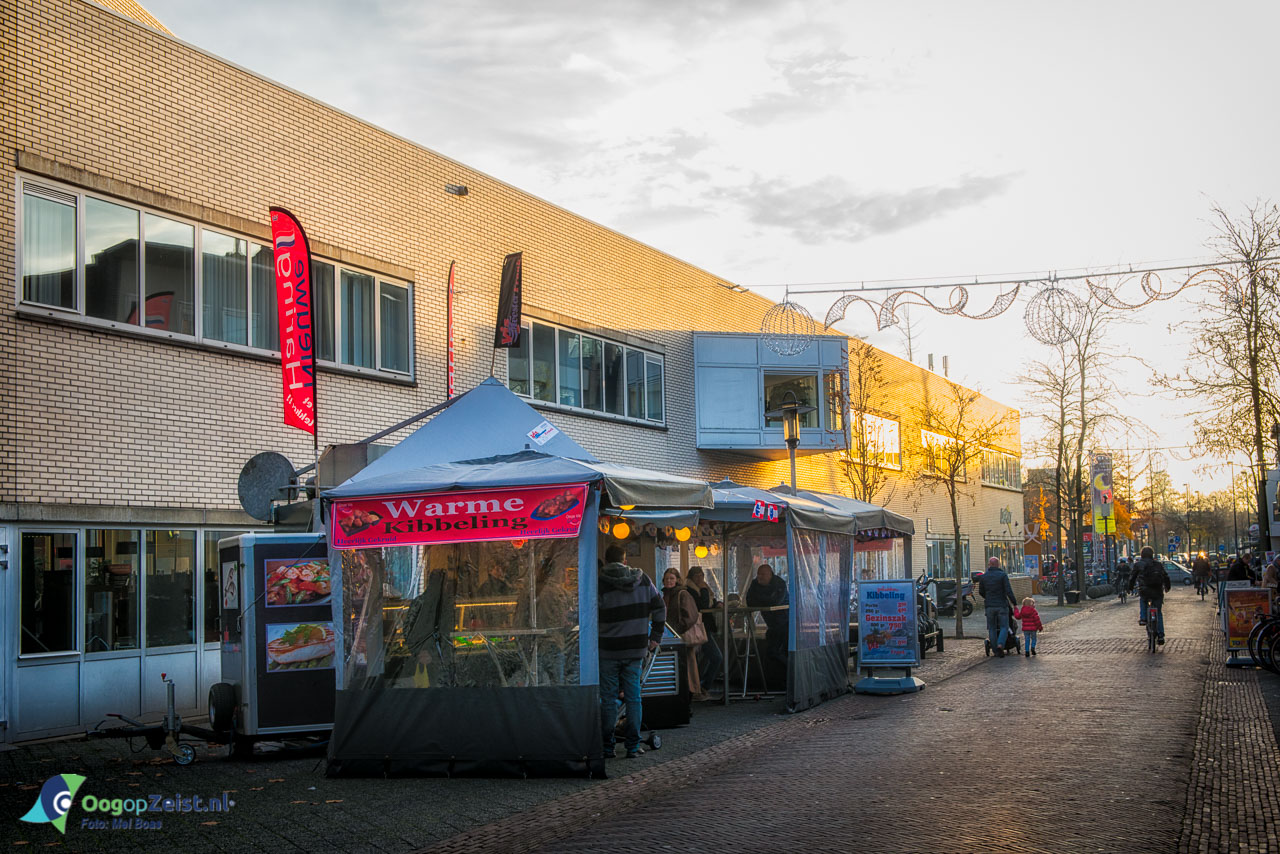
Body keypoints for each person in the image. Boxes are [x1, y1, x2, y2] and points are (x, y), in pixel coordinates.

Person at [598, 544, 665, 759]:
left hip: (608, 649)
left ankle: (607, 747)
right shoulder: (642, 579)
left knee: (608, 699)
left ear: (606, 561)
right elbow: (660, 607)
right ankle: (633, 746)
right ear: (625, 561)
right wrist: (655, 636)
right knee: (634, 698)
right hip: (636, 649)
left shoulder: (600, 583)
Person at [661, 568, 706, 699]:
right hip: (672, 636)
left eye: (671, 578)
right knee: (682, 665)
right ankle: (686, 692)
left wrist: (677, 630)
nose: (669, 581)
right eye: (666, 578)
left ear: (677, 580)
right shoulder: (666, 595)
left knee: (688, 664)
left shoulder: (683, 594)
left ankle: (692, 692)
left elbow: (691, 616)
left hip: (681, 635)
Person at [685, 566, 723, 700]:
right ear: (691, 578)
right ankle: (703, 687)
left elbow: (710, 602)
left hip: (705, 627)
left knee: (705, 658)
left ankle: (700, 686)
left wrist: (717, 603)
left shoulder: (701, 588)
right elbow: (703, 605)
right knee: (716, 657)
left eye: (701, 575)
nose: (700, 578)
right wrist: (704, 589)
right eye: (696, 576)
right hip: (699, 628)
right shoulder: (690, 590)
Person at [745, 563, 789, 665]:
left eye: (763, 574)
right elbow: (749, 602)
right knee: (771, 652)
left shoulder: (779, 583)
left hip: (786, 623)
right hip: (771, 624)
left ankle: (788, 669)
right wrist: (766, 600)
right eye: (758, 574)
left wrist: (759, 599)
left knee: (777, 651)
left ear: (770, 574)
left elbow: (775, 602)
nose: (759, 577)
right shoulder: (755, 583)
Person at [1128, 546, 1171, 644]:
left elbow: (1132, 577)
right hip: (1157, 591)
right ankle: (1161, 635)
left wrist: (1130, 588)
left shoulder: (1138, 564)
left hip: (1144, 590)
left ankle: (1143, 618)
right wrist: (1167, 587)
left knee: (1143, 600)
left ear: (1142, 554)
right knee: (1158, 612)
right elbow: (1165, 576)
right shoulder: (1158, 564)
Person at [978, 557, 1019, 656]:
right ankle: (1000, 644)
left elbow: (981, 591)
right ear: (998, 564)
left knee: (992, 628)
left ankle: (995, 650)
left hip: (989, 606)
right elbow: (1008, 591)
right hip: (1002, 605)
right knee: (1004, 626)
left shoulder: (983, 577)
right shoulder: (1003, 575)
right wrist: (1014, 603)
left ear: (989, 565)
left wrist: (988, 597)